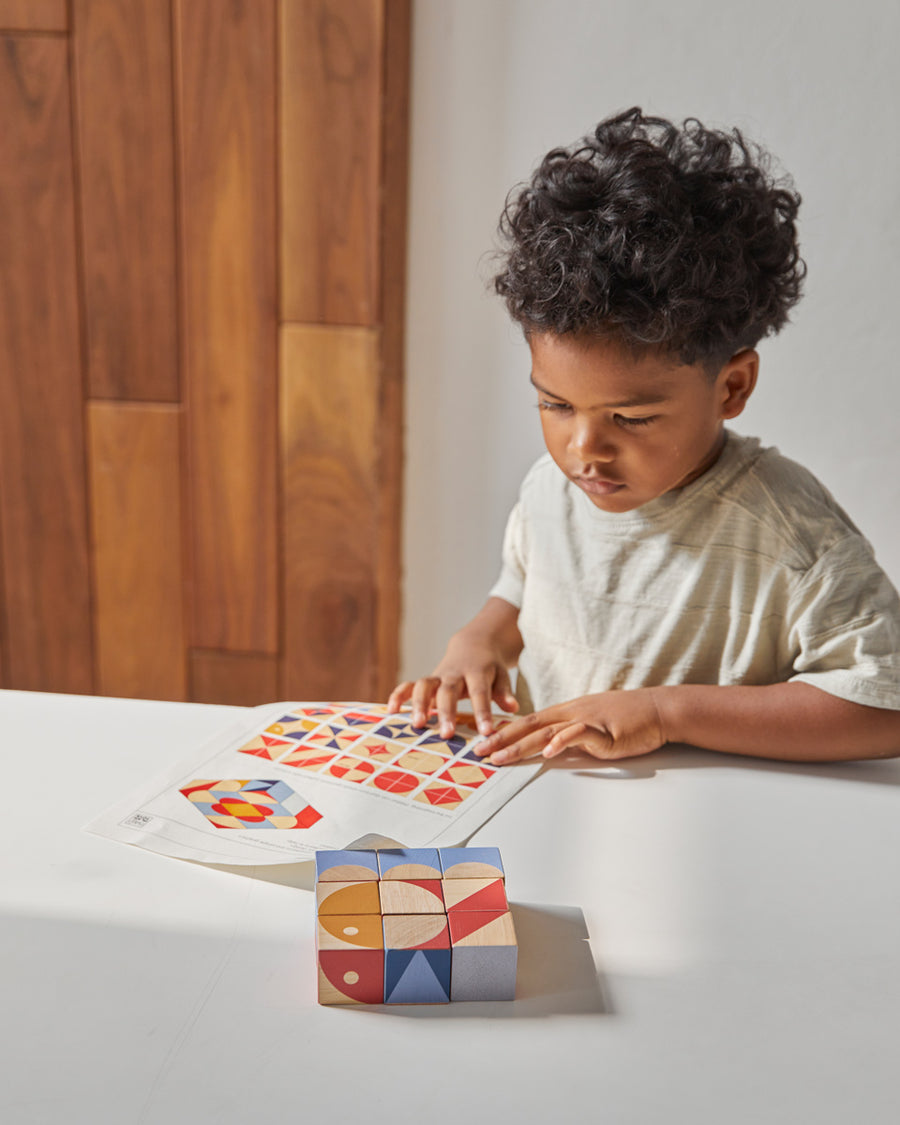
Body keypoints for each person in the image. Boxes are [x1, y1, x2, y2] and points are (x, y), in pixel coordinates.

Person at [388, 108, 900, 764]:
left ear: (732, 387)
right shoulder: (551, 490)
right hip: (554, 814)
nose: (583, 448)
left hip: (710, 840)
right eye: (555, 403)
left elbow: (883, 703)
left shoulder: (787, 531)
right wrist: (482, 639)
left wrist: (664, 711)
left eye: (630, 418)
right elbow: (523, 586)